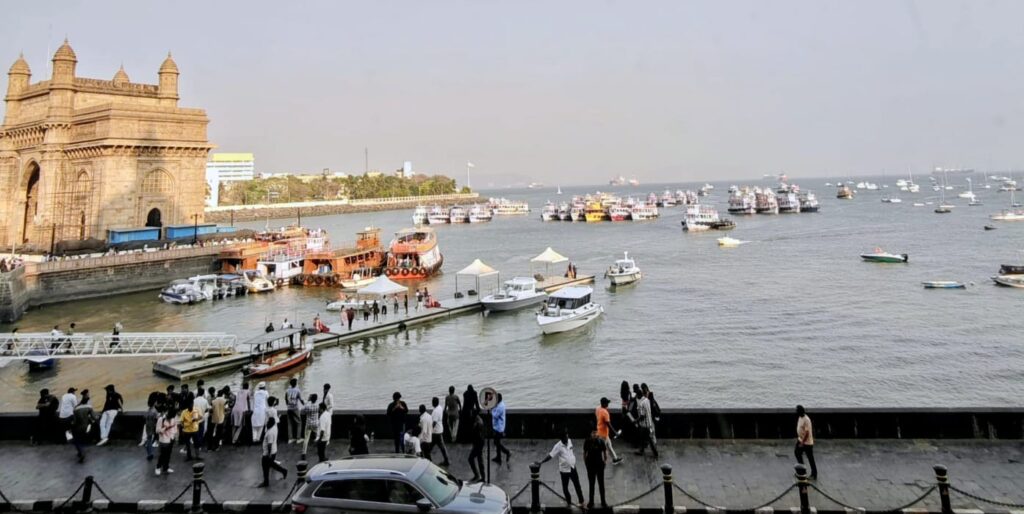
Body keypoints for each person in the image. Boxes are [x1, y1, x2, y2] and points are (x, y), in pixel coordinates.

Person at [536, 431, 585, 509]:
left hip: (572, 467)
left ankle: (581, 501)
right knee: (565, 487)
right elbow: (550, 455)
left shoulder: (569, 441)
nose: (567, 438)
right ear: (562, 439)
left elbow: (571, 451)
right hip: (564, 470)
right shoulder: (557, 446)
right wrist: (541, 462)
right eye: (566, 437)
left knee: (577, 485)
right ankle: (569, 502)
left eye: (567, 436)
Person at [583, 426, 609, 509]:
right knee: (591, 484)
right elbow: (584, 453)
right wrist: (586, 464)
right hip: (590, 466)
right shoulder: (587, 441)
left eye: (596, 432)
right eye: (593, 433)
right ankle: (591, 502)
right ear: (591, 434)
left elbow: (605, 452)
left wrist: (605, 461)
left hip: (599, 466)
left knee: (601, 485)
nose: (594, 434)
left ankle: (603, 501)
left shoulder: (601, 441)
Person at [258, 417, 288, 487]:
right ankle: (283, 471)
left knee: (265, 466)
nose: (266, 423)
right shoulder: (274, 428)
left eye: (268, 422)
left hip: (268, 453)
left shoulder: (270, 433)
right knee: (271, 465)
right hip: (273, 450)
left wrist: (268, 454)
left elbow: (269, 444)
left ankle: (266, 482)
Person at [71, 391, 98, 463]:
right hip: (86, 427)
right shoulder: (89, 407)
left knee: (76, 440)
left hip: (78, 428)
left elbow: (74, 421)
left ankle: (81, 452)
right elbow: (94, 418)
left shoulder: (76, 409)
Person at [595, 397, 623, 464]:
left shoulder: (598, 409)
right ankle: (597, 461)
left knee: (609, 446)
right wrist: (615, 432)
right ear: (604, 403)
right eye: (607, 403)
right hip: (603, 434)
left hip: (600, 430)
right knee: (601, 449)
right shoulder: (605, 412)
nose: (608, 404)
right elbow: (608, 424)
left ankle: (615, 459)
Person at [795, 405, 817, 480]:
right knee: (797, 453)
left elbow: (807, 433)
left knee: (810, 458)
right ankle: (802, 470)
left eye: (797, 410)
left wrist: (802, 443)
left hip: (806, 443)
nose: (796, 412)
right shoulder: (800, 417)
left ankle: (814, 474)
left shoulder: (806, 419)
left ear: (800, 411)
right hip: (800, 439)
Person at [635, 388, 658, 458]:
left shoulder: (641, 404)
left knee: (648, 439)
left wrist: (636, 420)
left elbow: (642, 415)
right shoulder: (647, 400)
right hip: (650, 422)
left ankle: (655, 453)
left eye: (636, 395)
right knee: (644, 438)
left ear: (638, 395)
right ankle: (642, 450)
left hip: (644, 425)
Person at [155, 406, 179, 475]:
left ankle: (166, 467)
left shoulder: (173, 419)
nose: (172, 418)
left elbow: (175, 428)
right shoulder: (161, 419)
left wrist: (174, 436)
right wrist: (166, 428)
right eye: (171, 416)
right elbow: (157, 430)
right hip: (164, 439)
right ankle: (158, 467)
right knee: (162, 455)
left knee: (168, 454)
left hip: (171, 439)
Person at [491, 393, 511, 465]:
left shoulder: (500, 407)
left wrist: (492, 409)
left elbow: (495, 415)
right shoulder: (500, 404)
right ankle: (498, 457)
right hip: (497, 426)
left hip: (499, 428)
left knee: (497, 442)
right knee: (497, 442)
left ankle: (507, 452)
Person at [467, 412, 486, 482]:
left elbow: (477, 435)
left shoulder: (477, 423)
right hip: (479, 443)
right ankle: (482, 477)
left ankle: (477, 475)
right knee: (480, 460)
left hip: (478, 444)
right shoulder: (479, 420)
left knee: (471, 459)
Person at [285, 378, 303, 443]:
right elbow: (301, 399)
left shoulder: (287, 390)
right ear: (296, 383)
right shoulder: (297, 390)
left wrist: (288, 406)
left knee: (289, 423)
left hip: (289, 408)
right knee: (299, 423)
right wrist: (305, 404)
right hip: (295, 408)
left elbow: (286, 399)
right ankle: (298, 438)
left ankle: (290, 439)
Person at [144, 396, 160, 460]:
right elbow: (158, 419)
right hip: (152, 426)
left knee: (149, 439)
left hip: (148, 425)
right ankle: (150, 453)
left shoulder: (148, 410)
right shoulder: (154, 411)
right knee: (150, 440)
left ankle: (149, 453)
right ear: (154, 403)